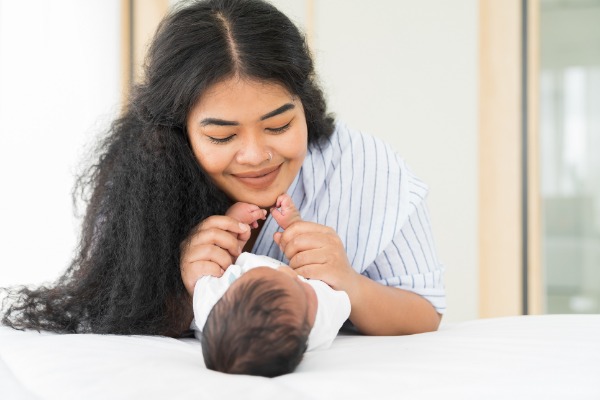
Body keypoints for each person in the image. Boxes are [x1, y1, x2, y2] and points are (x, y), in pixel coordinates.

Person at [2, 0, 444, 346]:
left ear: (304, 105)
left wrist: (349, 284)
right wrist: (185, 289)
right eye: (221, 136)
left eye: (279, 126)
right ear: (179, 131)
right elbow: (107, 320)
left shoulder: (369, 168)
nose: (255, 156)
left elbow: (426, 313)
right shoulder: (140, 180)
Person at [196, 195, 351, 376]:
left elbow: (207, 266)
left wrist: (232, 225)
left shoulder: (210, 304)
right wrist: (295, 227)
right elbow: (332, 281)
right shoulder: (322, 321)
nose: (286, 271)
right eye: (298, 284)